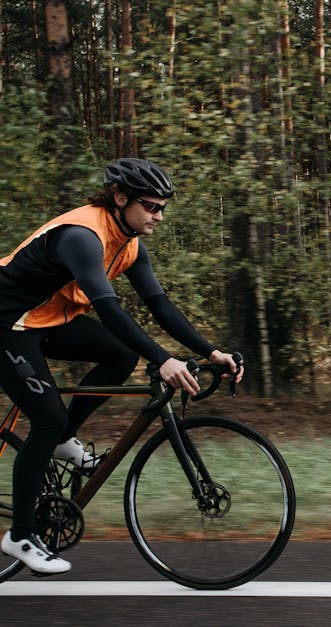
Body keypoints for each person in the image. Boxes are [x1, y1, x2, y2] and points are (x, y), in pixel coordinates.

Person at [0, 158, 244, 575]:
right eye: (151, 206)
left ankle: (64, 438)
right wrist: (163, 359)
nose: (159, 215)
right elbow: (109, 309)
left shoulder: (128, 241)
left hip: (45, 318)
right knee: (46, 417)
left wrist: (210, 351)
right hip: (6, 323)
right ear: (120, 198)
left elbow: (159, 305)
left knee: (120, 354)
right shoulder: (82, 235)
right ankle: (21, 534)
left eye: (163, 206)